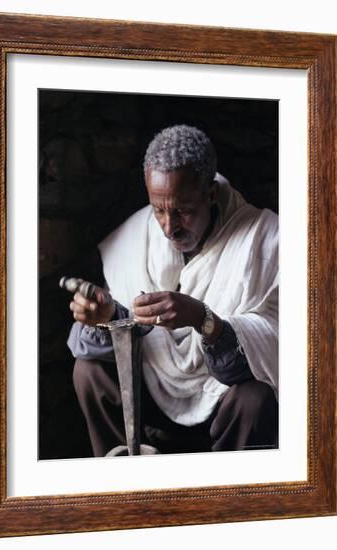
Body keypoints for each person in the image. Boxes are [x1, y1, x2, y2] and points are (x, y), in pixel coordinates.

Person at [67, 124, 278, 457]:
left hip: (222, 399)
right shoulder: (137, 237)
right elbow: (126, 336)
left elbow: (270, 352)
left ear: (210, 194)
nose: (168, 227)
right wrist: (108, 316)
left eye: (183, 211)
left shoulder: (264, 239)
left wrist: (202, 319)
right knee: (89, 371)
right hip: (153, 392)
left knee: (255, 399)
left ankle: (229, 497)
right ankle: (121, 484)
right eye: (159, 209)